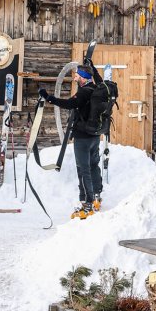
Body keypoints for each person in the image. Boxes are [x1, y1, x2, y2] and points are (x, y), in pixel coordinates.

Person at [41, 59, 103, 220]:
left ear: (82, 77)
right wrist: (93, 68)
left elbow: (69, 104)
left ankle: (87, 204)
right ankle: (97, 197)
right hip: (95, 135)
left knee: (83, 170)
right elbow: (99, 79)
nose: (75, 78)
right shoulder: (97, 88)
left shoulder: (83, 92)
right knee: (94, 165)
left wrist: (49, 98)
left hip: (82, 137)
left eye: (77, 76)